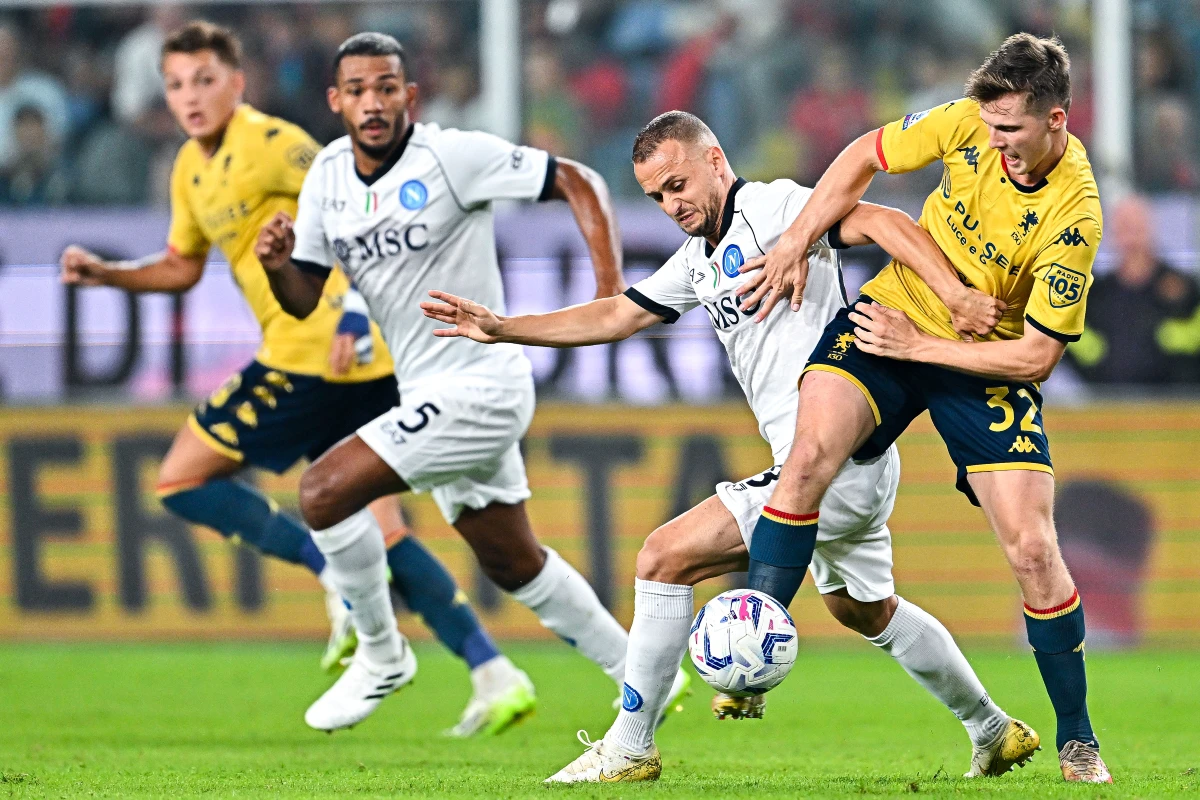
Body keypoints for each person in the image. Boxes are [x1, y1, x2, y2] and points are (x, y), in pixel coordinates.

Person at [421, 111, 1038, 784]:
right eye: (657, 196)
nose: (673, 204)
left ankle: (629, 745)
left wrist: (952, 295)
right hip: (853, 466)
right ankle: (992, 729)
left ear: (715, 159)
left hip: (825, 461)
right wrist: (505, 327)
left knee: (663, 557)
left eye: (679, 183)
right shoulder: (698, 261)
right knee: (861, 608)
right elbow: (617, 313)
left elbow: (885, 223)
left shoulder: (775, 208)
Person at [59, 21, 528, 738]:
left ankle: (334, 580)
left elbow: (358, 206)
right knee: (377, 524)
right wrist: (109, 274)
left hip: (318, 353)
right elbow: (183, 266)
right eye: (177, 84)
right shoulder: (190, 166)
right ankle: (493, 672)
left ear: (237, 83)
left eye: (205, 80)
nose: (190, 96)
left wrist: (346, 314)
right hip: (334, 358)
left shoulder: (274, 144)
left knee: (182, 478)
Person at [254, 32, 689, 734]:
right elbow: (304, 295)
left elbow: (579, 179)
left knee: (323, 490)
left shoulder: (451, 156)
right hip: (427, 389)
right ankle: (645, 677)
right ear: (336, 101)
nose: (373, 102)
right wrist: (277, 264)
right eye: (358, 90)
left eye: (387, 87)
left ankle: (381, 652)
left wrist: (609, 292)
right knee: (512, 559)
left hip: (483, 382)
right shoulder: (327, 178)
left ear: (410, 96)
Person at [736, 34, 1111, 783]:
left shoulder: (1076, 219)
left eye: (1011, 130)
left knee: (1033, 550)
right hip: (896, 311)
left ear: (1057, 122)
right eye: (989, 125)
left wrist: (922, 349)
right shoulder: (968, 121)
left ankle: (1077, 739)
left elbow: (1035, 358)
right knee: (806, 460)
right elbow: (861, 157)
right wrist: (794, 242)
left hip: (982, 358)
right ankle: (750, 657)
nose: (994, 141)